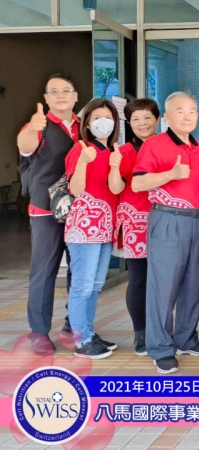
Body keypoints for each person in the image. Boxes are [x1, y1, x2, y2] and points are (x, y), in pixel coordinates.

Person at [132, 92, 199, 374]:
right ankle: (161, 348)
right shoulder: (155, 144)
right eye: (180, 111)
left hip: (195, 221)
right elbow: (138, 184)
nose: (187, 116)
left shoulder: (197, 146)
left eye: (192, 110)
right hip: (167, 219)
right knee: (163, 287)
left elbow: (198, 186)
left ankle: (186, 338)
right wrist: (170, 174)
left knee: (194, 284)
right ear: (167, 117)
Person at [17, 74, 80, 355]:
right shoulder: (38, 126)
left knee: (80, 271)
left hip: (80, 211)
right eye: (54, 91)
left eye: (66, 90)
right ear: (46, 98)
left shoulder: (83, 126)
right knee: (43, 272)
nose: (60, 95)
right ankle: (39, 332)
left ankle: (73, 324)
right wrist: (33, 127)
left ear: (75, 96)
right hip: (45, 210)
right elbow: (25, 146)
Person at [63, 98, 122, 359]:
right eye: (97, 118)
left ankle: (88, 332)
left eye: (108, 117)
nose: (103, 122)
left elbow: (116, 189)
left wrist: (115, 165)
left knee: (95, 286)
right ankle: (81, 340)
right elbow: (75, 190)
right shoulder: (81, 149)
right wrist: (83, 162)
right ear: (86, 123)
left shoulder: (113, 152)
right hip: (84, 227)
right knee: (82, 286)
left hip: (106, 228)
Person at [116, 99, 160, 356]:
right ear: (128, 123)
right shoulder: (123, 152)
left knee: (163, 279)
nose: (142, 124)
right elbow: (118, 186)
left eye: (147, 118)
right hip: (134, 219)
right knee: (139, 278)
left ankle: (159, 328)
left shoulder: (166, 146)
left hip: (165, 217)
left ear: (157, 119)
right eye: (136, 119)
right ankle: (140, 332)